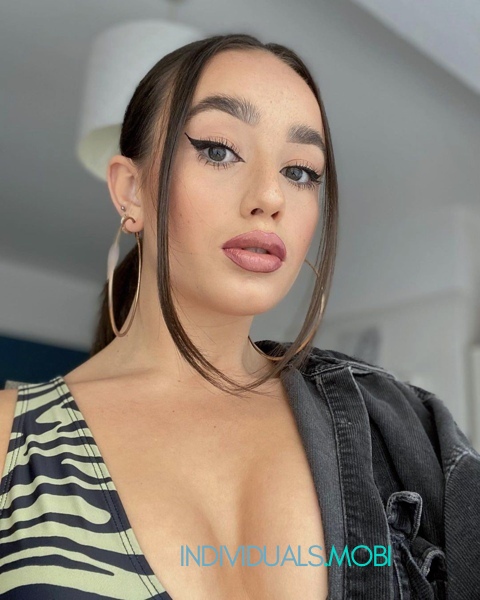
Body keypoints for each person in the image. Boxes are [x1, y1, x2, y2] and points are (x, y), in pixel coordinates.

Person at [0, 32, 479, 600]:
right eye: (219, 149)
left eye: (300, 171)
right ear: (130, 190)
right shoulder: (12, 439)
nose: (270, 196)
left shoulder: (399, 429)